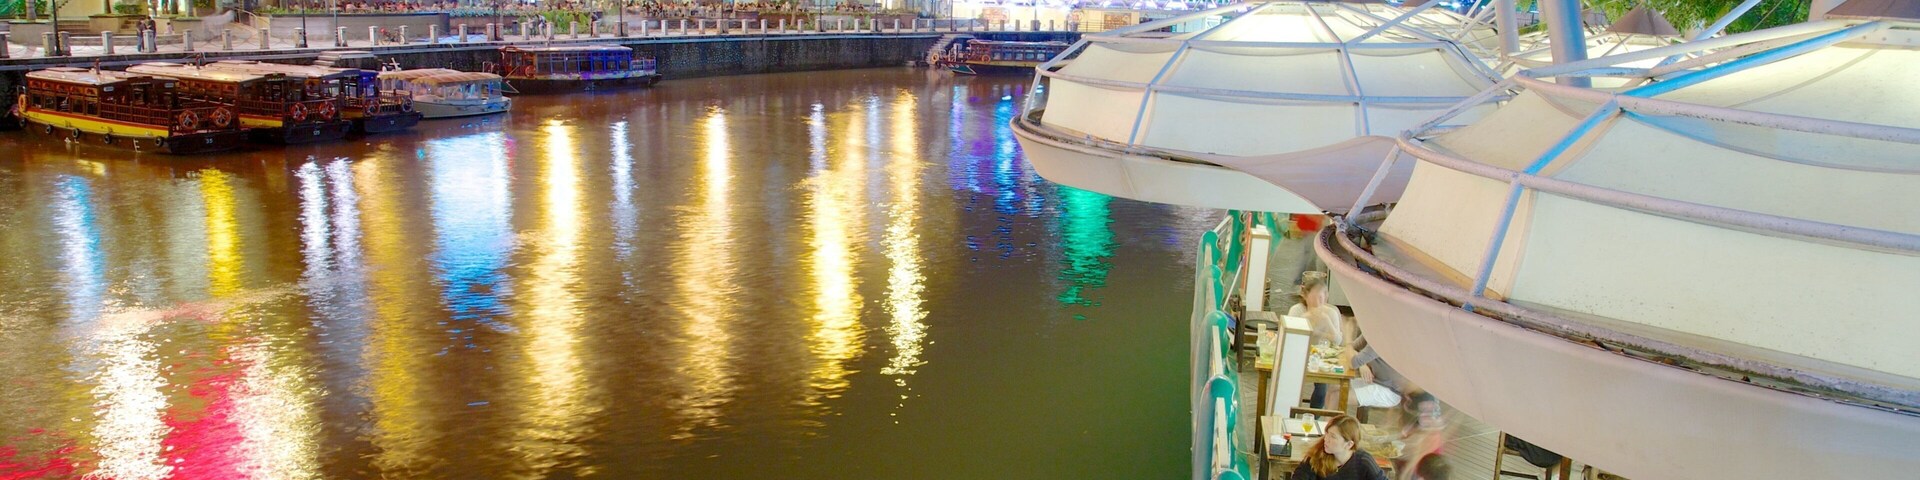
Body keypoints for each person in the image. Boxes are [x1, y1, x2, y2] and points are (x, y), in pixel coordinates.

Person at [1290, 270, 1352, 407]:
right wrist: (1307, 318)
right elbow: (1291, 335)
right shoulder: (1297, 310)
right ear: (1305, 295)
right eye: (1317, 296)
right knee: (1291, 385)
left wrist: (1326, 321)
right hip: (1298, 355)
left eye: (1324, 295)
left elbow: (1338, 341)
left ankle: (1313, 417)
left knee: (1321, 390)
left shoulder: (1331, 312)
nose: (1321, 300)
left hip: (1323, 358)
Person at [1290, 414, 1388, 480]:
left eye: (1333, 437)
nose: (1326, 439)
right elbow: (1299, 476)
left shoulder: (1363, 461)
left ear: (1349, 444)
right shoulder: (1318, 454)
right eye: (1327, 433)